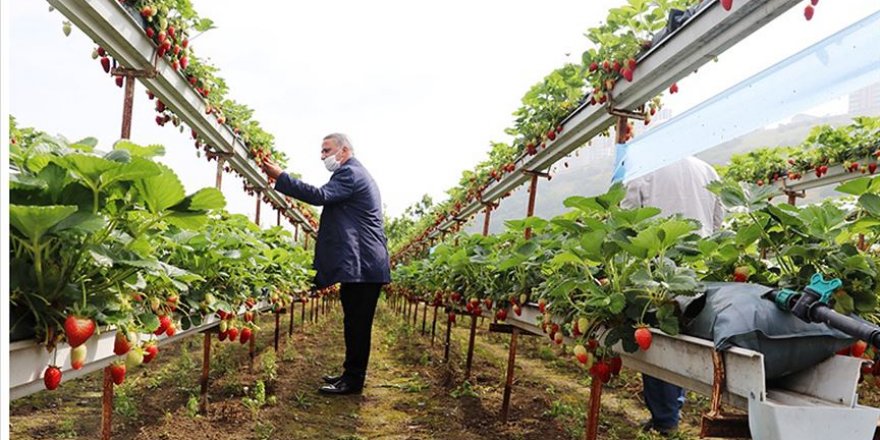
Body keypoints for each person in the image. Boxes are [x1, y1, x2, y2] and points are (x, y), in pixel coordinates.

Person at [262, 133, 391, 395]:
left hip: (364, 266)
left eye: (326, 151)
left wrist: (281, 177)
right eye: (322, 151)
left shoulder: (350, 174)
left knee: (357, 325)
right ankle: (350, 375)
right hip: (363, 266)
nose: (323, 156)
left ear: (344, 151)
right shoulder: (356, 174)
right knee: (354, 323)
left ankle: (353, 382)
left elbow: (319, 195)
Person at [620, 156, 723, 435]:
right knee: (683, 332)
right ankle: (673, 408)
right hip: (697, 264)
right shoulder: (708, 169)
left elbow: (627, 217)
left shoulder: (645, 166)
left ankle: (666, 417)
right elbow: (718, 223)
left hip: (656, 265)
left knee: (657, 335)